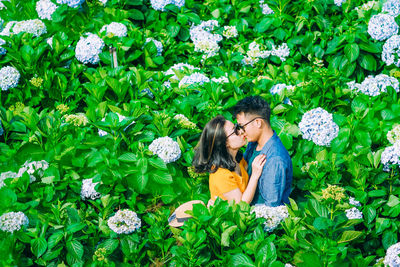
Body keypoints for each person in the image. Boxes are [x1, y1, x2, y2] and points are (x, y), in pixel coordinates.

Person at [192, 115, 266, 204]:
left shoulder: (237, 159)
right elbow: (241, 205)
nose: (241, 131)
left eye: (237, 127)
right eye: (235, 131)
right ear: (224, 142)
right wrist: (255, 176)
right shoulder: (220, 174)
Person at [233, 96, 292, 206]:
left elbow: (271, 206)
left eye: (242, 126)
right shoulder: (253, 144)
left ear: (258, 122)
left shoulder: (275, 159)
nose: (241, 131)